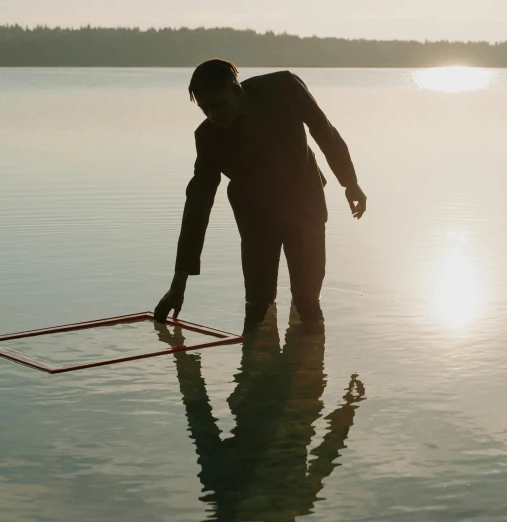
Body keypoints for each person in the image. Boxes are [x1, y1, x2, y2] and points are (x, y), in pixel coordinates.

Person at [154, 59, 367, 330]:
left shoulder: (284, 88)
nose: (213, 115)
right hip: (255, 213)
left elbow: (323, 130)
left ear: (236, 90)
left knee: (308, 301)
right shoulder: (208, 138)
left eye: (218, 104)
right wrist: (178, 283)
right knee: (258, 304)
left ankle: (309, 360)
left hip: (305, 202)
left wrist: (350, 182)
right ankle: (258, 363)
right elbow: (197, 206)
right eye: (205, 109)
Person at [155, 307, 366, 520]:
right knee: (295, 305)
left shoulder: (230, 488)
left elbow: (201, 423)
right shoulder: (293, 502)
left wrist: (187, 368)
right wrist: (348, 409)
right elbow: (326, 454)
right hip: (292, 391)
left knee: (274, 306)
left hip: (276, 390)